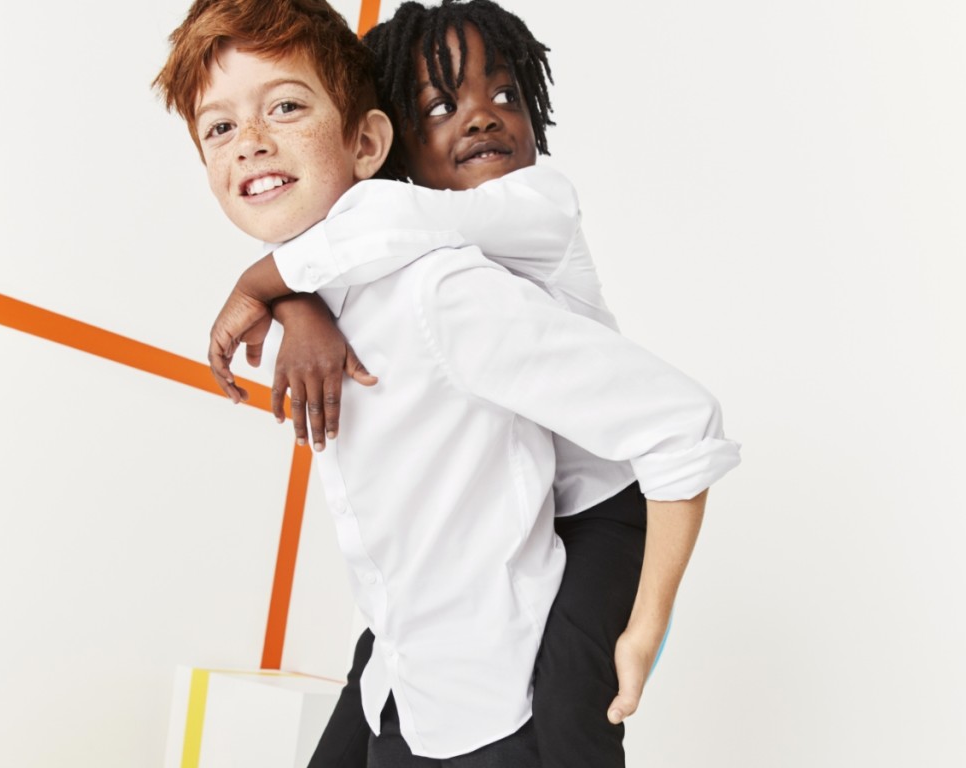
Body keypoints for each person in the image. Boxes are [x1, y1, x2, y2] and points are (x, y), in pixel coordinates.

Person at [155, 0, 741, 764]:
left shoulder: (462, 267)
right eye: (219, 128)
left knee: (575, 720)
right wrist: (296, 303)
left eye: (286, 107)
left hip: (530, 629)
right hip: (410, 664)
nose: (251, 143)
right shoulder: (349, 279)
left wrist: (643, 630)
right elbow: (342, 240)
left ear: (369, 142)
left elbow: (677, 425)